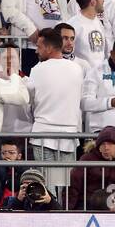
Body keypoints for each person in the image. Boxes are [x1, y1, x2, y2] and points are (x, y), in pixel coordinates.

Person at [26, 27, 86, 188]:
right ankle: (61, 212)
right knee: (63, 185)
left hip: (43, 134)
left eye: (39, 47)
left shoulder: (37, 70)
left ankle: (51, 212)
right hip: (68, 135)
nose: (37, 51)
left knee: (47, 186)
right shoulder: (77, 69)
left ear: (49, 48)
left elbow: (28, 101)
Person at [68, 125, 115, 211]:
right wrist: (68, 211)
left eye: (110, 144)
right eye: (103, 144)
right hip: (88, 206)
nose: (106, 148)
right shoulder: (87, 159)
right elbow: (73, 185)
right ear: (98, 147)